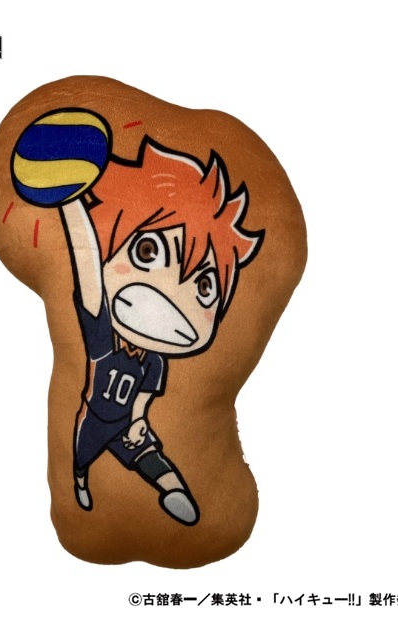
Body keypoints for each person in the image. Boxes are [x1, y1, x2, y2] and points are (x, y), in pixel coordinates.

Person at [58, 138, 263, 525]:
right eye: (148, 252)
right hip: (93, 420)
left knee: (151, 457)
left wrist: (138, 421)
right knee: (81, 461)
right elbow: (88, 273)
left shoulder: (153, 360)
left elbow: (143, 397)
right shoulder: (103, 342)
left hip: (125, 424)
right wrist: (70, 202)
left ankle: (174, 491)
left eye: (205, 287)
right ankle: (81, 482)